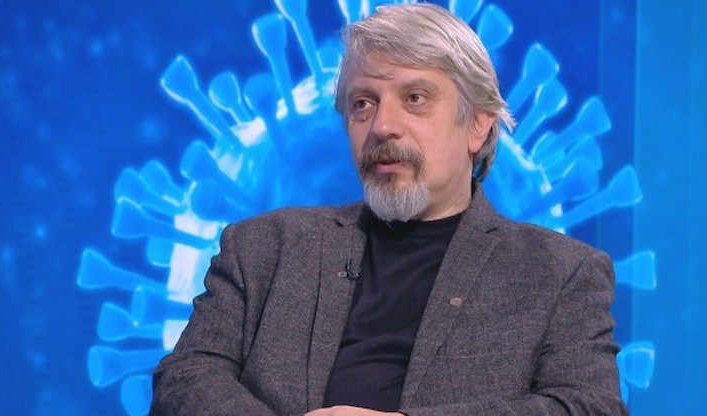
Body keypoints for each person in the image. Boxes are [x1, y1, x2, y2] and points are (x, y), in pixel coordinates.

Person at [150, 3, 627, 415]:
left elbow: (590, 407)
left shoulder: (560, 272)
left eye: (415, 99)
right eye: (362, 104)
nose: (382, 126)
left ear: (478, 126)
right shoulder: (263, 247)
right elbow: (184, 380)